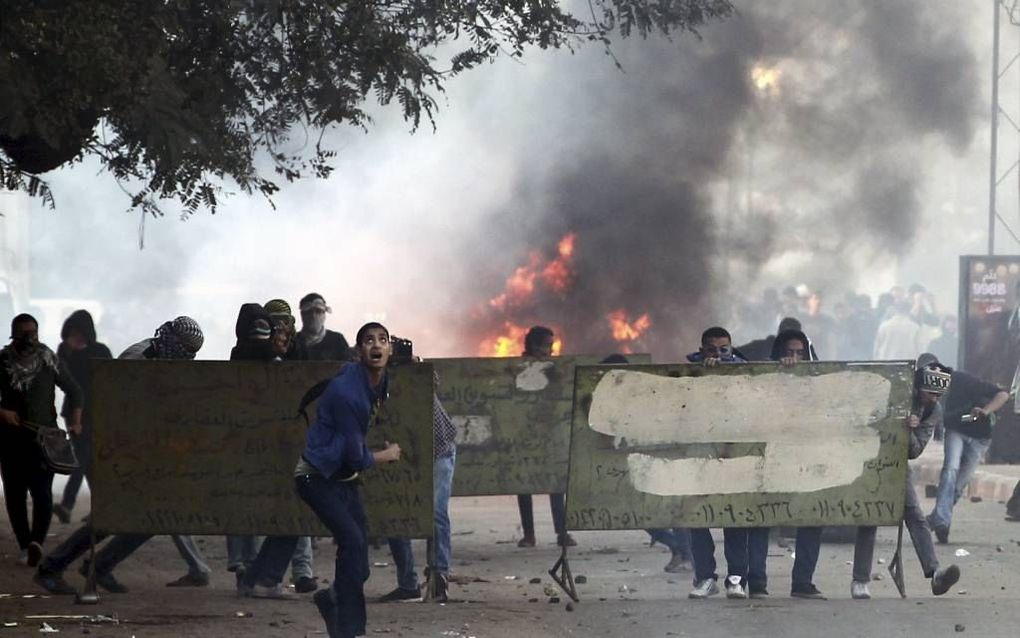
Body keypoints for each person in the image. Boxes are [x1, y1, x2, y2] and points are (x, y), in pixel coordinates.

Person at [34, 317, 211, 594]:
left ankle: (100, 565)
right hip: (125, 452)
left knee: (151, 519)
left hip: (147, 453)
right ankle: (52, 567)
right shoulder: (137, 359)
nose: (187, 358)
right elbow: (121, 410)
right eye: (185, 349)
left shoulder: (162, 360)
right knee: (111, 518)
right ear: (173, 342)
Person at [296, 322, 402, 638]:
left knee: (360, 566)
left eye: (383, 340)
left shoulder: (378, 380)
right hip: (316, 477)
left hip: (344, 478)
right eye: (369, 341)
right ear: (359, 351)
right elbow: (357, 457)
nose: (377, 345)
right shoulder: (348, 395)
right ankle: (349, 630)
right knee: (353, 544)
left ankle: (330, 599)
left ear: (390, 349)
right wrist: (388, 454)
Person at [851, 354, 961, 600]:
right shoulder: (896, 390)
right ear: (919, 386)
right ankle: (860, 580)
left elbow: (914, 450)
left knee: (916, 516)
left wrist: (908, 430)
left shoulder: (933, 410)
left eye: (938, 395)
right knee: (870, 518)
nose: (934, 398)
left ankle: (935, 574)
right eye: (930, 393)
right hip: (868, 460)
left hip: (897, 465)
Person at [0, 314, 83, 567]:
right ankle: (25, 545)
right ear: (14, 334)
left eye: (32, 333)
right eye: (24, 333)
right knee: (14, 496)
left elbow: (75, 391)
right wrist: (2, 412)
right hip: (10, 440)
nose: (29, 338)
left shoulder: (48, 359)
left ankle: (36, 542)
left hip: (43, 440)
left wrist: (76, 422)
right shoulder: (2, 361)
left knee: (42, 494)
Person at [686, 327, 754, 600]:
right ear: (703, 350)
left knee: (735, 518)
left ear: (731, 349)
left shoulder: (745, 371)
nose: (719, 354)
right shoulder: (688, 372)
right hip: (701, 455)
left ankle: (736, 579)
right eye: (712, 349)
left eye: (724, 349)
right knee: (697, 518)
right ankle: (704, 577)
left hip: (735, 454)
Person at [380, 385, 458, 602]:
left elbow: (431, 378)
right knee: (394, 512)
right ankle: (408, 584)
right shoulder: (365, 381)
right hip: (402, 452)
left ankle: (438, 580)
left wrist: (414, 362)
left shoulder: (415, 374)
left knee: (435, 514)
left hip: (437, 452)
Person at [264, 298, 318, 593]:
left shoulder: (300, 353)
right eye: (276, 328)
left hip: (296, 439)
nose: (282, 334)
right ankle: (258, 572)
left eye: (286, 328)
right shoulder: (255, 356)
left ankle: (302, 573)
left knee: (300, 503)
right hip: (265, 444)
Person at [927, 364, 1010, 543]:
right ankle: (942, 522)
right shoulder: (929, 394)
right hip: (955, 431)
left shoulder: (964, 380)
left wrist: (985, 411)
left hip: (980, 437)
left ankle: (936, 518)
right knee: (950, 469)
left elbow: (1003, 394)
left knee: (960, 483)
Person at [515, 325, 574, 548]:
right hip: (524, 434)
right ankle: (529, 535)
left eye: (550, 346)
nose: (547, 350)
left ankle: (562, 532)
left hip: (551, 433)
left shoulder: (554, 368)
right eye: (544, 346)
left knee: (556, 483)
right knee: (523, 485)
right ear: (532, 345)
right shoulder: (516, 368)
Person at [52, 310, 113, 524]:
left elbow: (109, 382)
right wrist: (69, 351)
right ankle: (101, 509)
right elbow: (63, 378)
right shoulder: (64, 351)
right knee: (84, 460)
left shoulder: (100, 351)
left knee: (83, 460)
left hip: (95, 414)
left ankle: (70, 505)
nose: (76, 335)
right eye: (72, 332)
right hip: (74, 413)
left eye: (80, 331)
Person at [297, 293, 351, 361]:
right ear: (302, 315)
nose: (314, 316)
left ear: (324, 315)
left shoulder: (337, 340)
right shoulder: (292, 342)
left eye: (318, 311)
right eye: (309, 312)